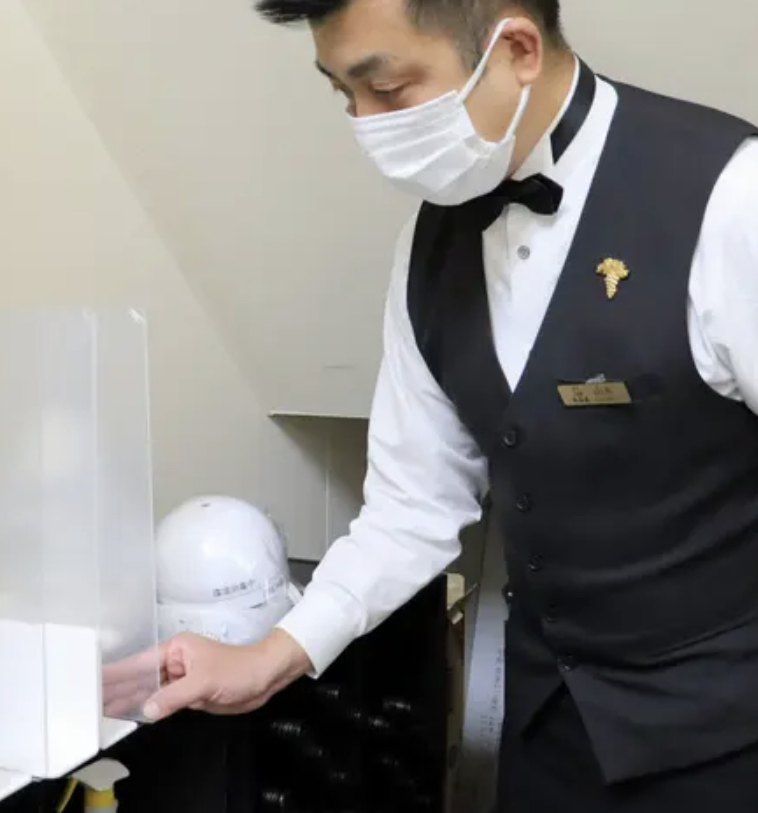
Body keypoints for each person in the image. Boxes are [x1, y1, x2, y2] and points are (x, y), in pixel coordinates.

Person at [140, 0, 758, 810]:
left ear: (517, 49)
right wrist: (272, 654)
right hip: (547, 731)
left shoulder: (728, 197)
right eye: (342, 95)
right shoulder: (426, 249)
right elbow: (411, 508)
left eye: (388, 90)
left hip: (727, 737)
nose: (365, 127)